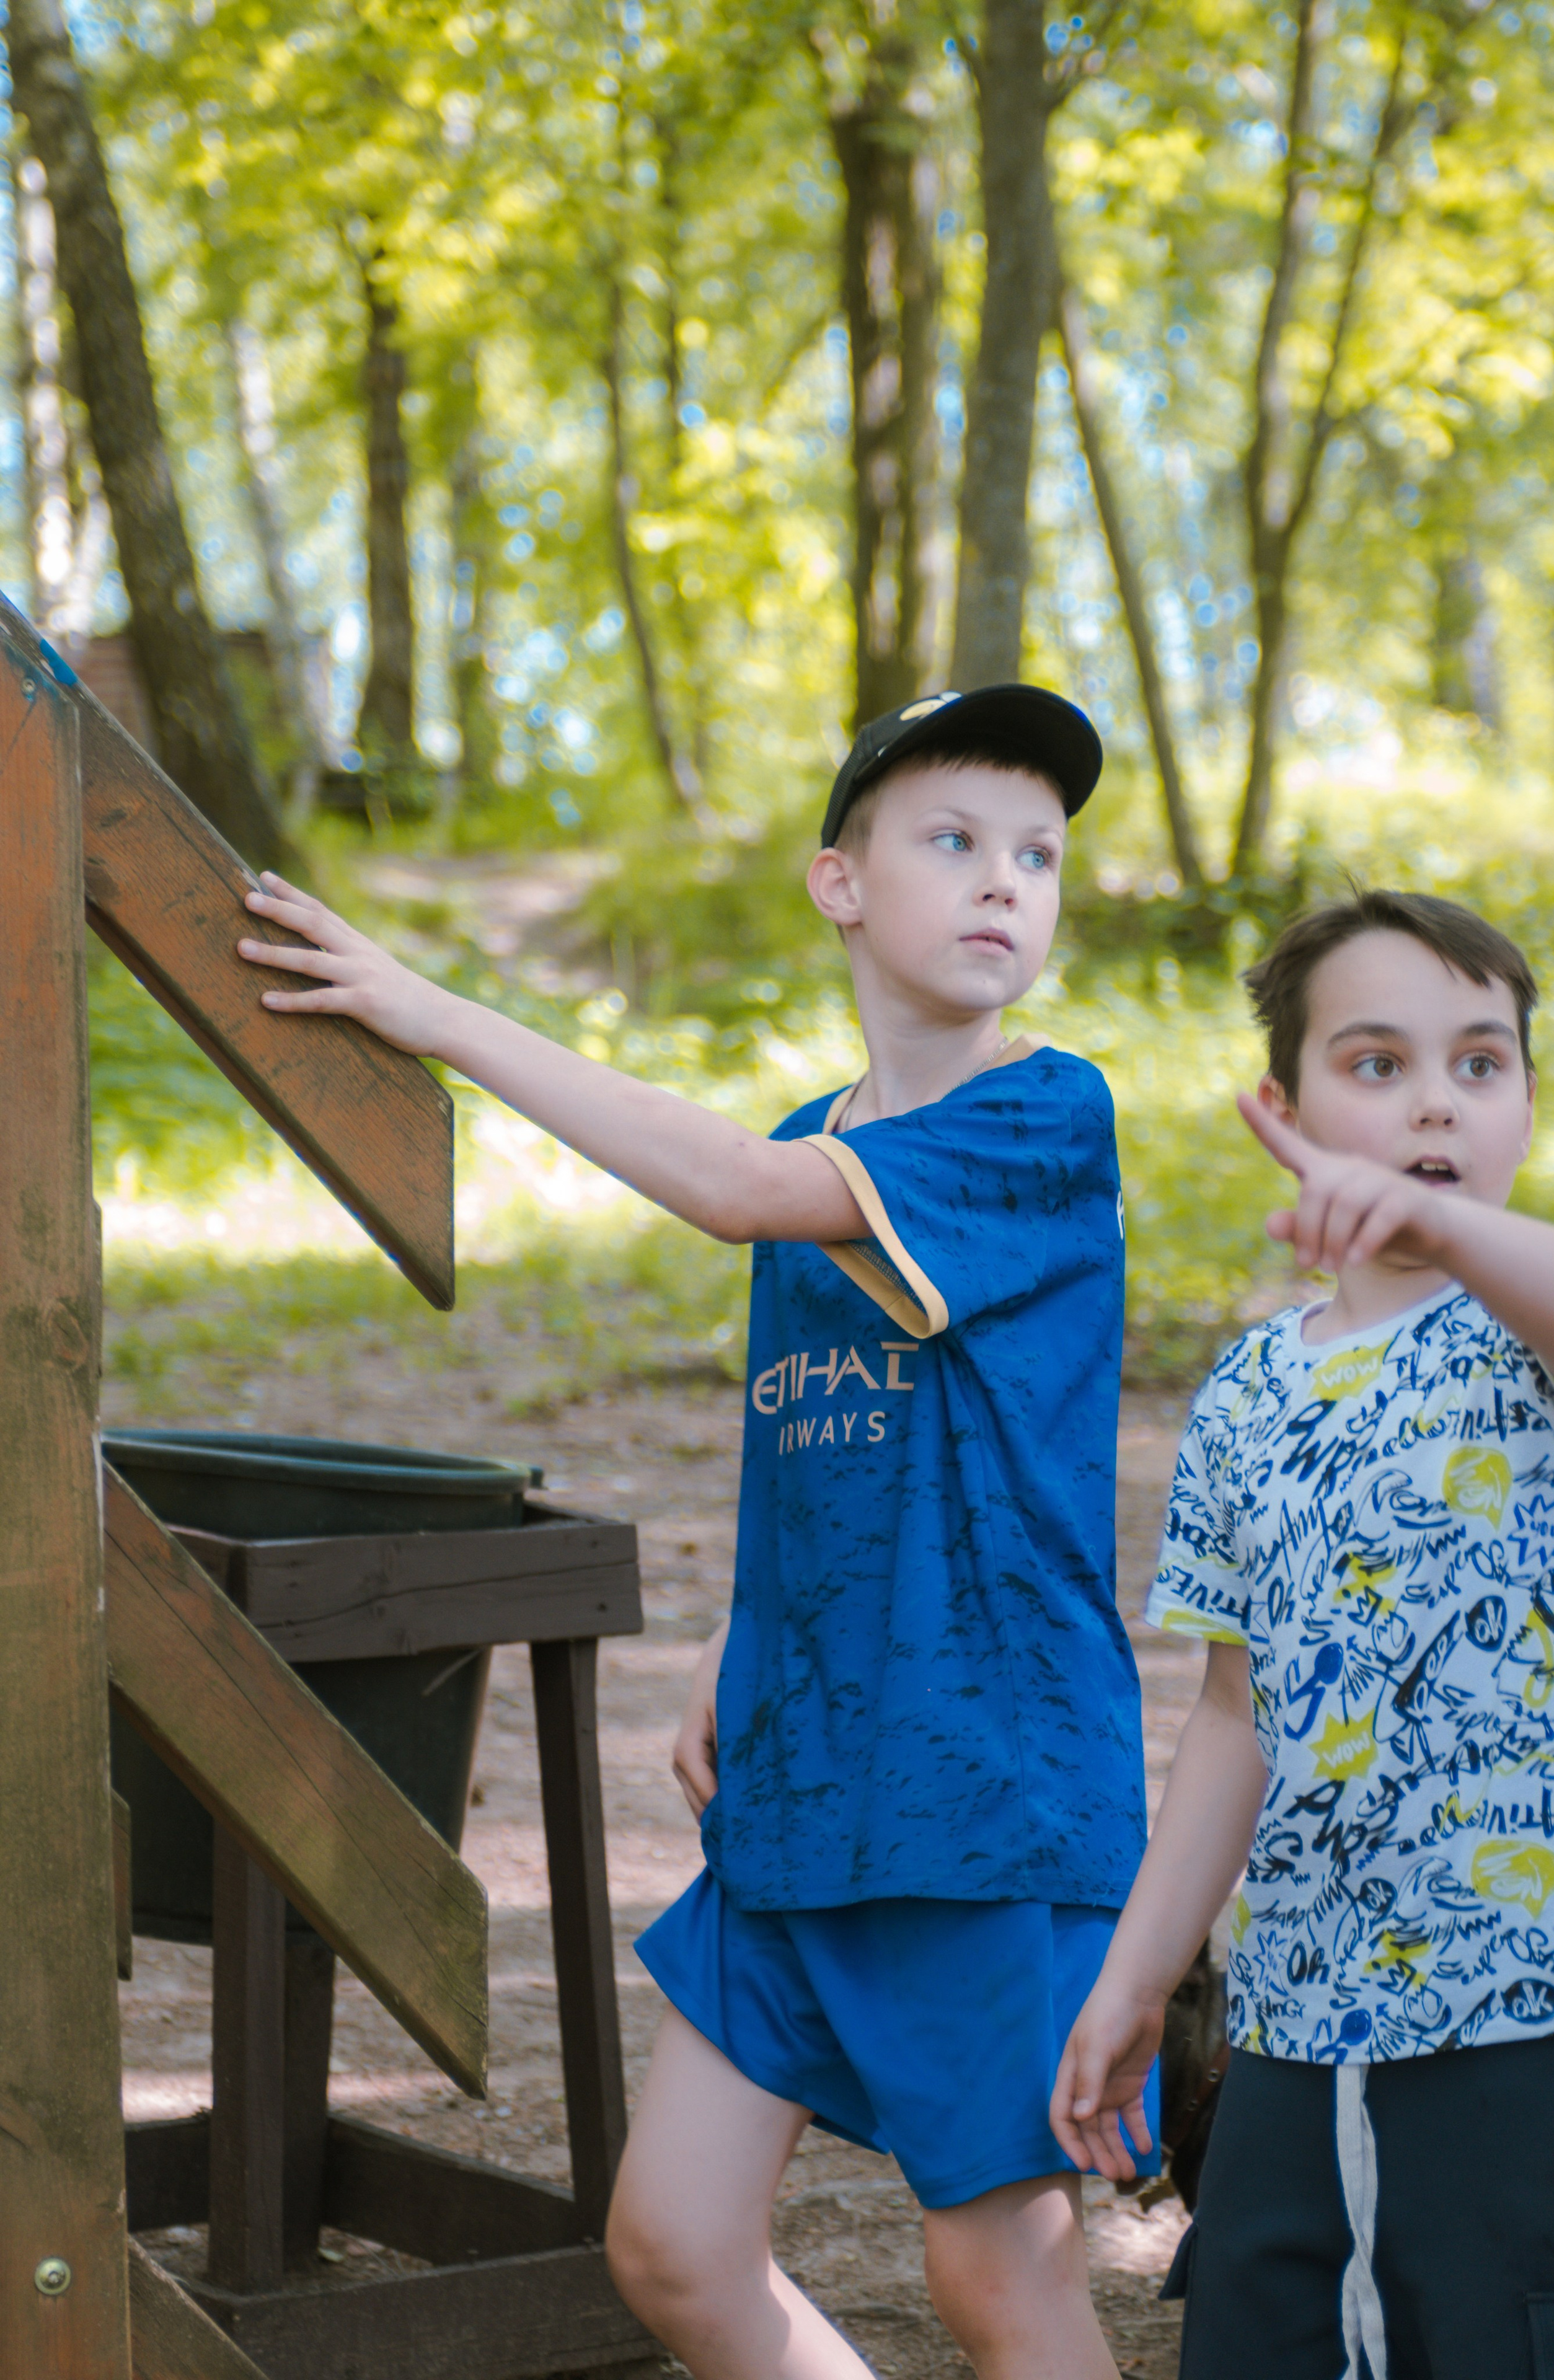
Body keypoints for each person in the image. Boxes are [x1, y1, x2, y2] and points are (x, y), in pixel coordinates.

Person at [237, 683, 1156, 2380]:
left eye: (1038, 852)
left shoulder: (1045, 1117)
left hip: (986, 1793)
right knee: (670, 2248)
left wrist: (440, 1014)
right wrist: (748, 1645)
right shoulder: (820, 1136)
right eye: (952, 840)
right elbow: (824, 1436)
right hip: (807, 1783)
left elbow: (731, 1188)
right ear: (841, 883)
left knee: (1000, 2280)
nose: (1004, 881)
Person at [1051, 888, 1554, 2380]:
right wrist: (1135, 1976)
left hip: (1530, 2033)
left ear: (1528, 1105)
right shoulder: (1245, 1393)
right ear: (1279, 1109)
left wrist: (1441, 1225)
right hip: (1297, 2037)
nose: (1434, 1100)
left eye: (1479, 1064)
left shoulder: (1528, 1331)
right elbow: (1236, 1712)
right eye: (1378, 1064)